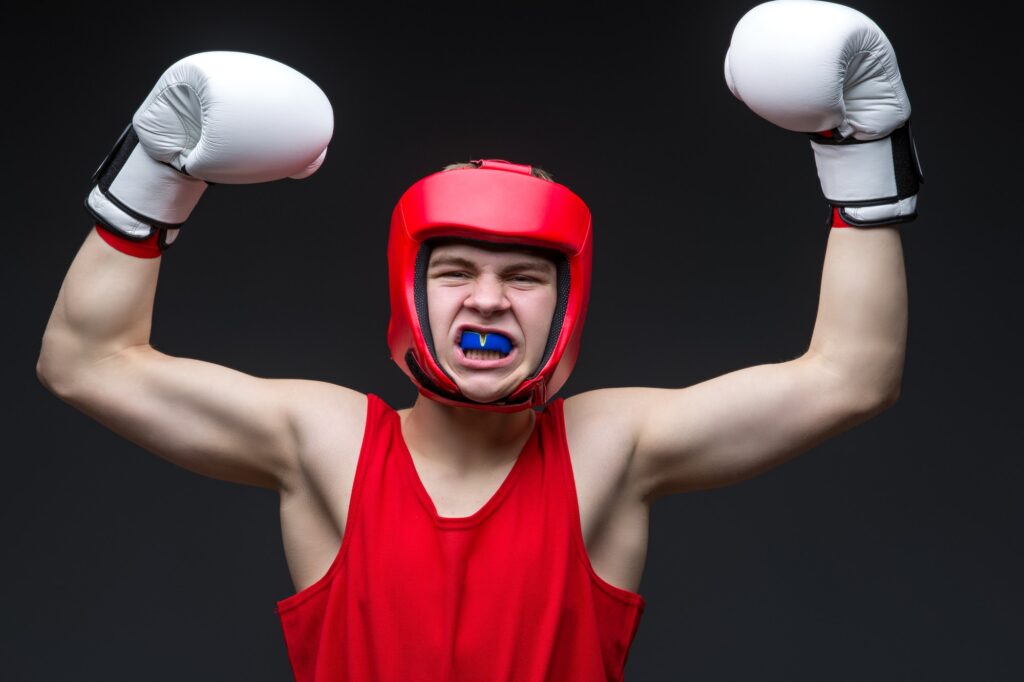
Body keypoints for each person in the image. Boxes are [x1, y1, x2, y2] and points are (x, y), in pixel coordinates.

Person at [36, 2, 919, 680]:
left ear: (566, 301)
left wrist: (862, 154)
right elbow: (85, 363)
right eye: (455, 270)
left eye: (525, 277)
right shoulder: (331, 444)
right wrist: (152, 180)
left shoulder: (609, 448)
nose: (490, 302)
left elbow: (850, 377)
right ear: (408, 289)